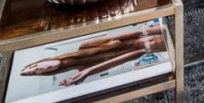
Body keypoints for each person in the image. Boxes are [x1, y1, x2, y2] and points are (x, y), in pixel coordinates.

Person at [20, 25, 166, 86]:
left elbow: (123, 36)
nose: (37, 69)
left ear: (41, 61)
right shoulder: (83, 69)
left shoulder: (85, 46)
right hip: (156, 47)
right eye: (34, 72)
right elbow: (126, 58)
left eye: (34, 66)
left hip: (153, 33)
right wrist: (89, 71)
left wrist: (159, 28)